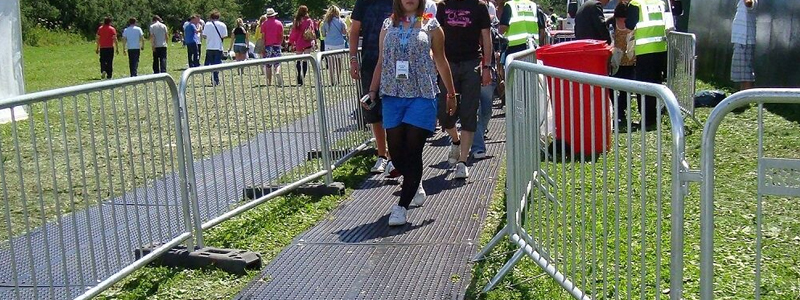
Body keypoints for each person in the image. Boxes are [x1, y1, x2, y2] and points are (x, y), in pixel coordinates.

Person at [366, 0, 456, 226]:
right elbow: (381, 61)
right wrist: (372, 91)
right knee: (396, 153)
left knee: (414, 150)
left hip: (421, 95)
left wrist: (451, 94)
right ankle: (415, 183)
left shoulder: (431, 25)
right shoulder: (388, 24)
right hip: (393, 95)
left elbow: (441, 61)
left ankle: (401, 207)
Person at [435, 0, 492, 179]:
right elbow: (435, 36)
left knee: (469, 111)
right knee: (444, 114)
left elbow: (486, 37)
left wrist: (487, 67)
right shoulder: (443, 6)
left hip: (471, 62)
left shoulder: (479, 6)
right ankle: (456, 139)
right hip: (448, 64)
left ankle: (462, 162)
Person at [349, 0, 394, 175]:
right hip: (369, 61)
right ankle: (382, 154)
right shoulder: (363, 3)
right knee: (373, 110)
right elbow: (354, 31)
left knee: (392, 109)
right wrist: (353, 58)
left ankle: (393, 156)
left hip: (394, 64)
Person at [628, 0, 667, 129]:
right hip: (660, 49)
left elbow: (629, 24)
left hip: (645, 51)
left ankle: (647, 119)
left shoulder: (636, 4)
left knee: (643, 86)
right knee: (656, 83)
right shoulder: (660, 2)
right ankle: (655, 116)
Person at [611, 0, 636, 129]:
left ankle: (620, 110)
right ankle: (616, 109)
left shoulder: (632, 23)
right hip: (617, 62)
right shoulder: (611, 23)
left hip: (628, 61)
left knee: (626, 90)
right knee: (616, 88)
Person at [731, 0, 757, 90]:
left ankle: (746, 99)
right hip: (740, 40)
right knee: (742, 75)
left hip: (745, 41)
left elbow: (749, 3)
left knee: (746, 75)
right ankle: (742, 98)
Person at [288, 5, 315, 85]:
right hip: (307, 41)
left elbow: (293, 32)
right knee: (305, 60)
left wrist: (291, 41)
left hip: (299, 42)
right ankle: (303, 77)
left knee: (298, 60)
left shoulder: (297, 21)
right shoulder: (309, 20)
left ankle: (299, 75)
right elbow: (312, 30)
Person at [322, 5, 348, 85]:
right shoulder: (340, 21)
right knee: (338, 62)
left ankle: (332, 80)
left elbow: (323, 34)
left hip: (329, 43)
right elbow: (344, 32)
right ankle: (338, 78)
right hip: (339, 43)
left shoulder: (326, 22)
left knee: (330, 62)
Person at [202, 11, 228, 86]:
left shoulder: (207, 24)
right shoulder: (222, 25)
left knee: (212, 63)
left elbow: (204, 35)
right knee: (217, 63)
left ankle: (213, 78)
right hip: (218, 47)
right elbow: (224, 36)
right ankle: (215, 79)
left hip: (209, 47)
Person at [261, 8, 284, 86]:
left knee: (268, 65)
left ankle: (269, 82)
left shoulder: (264, 24)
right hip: (276, 45)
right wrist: (280, 43)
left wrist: (263, 46)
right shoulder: (279, 23)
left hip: (267, 45)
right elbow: (281, 35)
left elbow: (263, 37)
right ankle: (277, 72)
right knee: (278, 62)